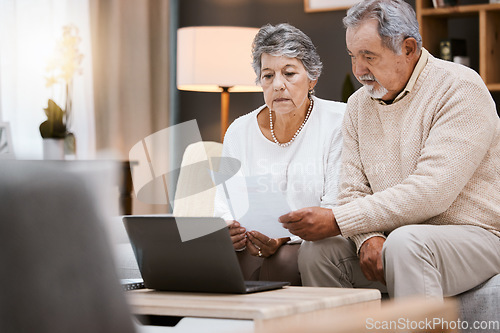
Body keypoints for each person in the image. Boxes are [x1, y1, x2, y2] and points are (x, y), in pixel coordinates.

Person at [279, 0, 500, 299]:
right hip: (399, 238)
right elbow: (352, 190)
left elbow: (432, 191)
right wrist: (367, 237)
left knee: (407, 243)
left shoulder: (459, 88)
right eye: (352, 56)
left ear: (408, 48)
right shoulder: (358, 105)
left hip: (477, 236)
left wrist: (337, 220)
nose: (359, 70)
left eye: (369, 56)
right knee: (319, 251)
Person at [213, 23, 345, 285]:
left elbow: (334, 206)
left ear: (312, 77)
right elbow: (222, 201)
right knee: (215, 258)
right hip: (251, 242)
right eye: (268, 75)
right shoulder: (239, 130)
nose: (278, 85)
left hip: (314, 242)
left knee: (280, 261)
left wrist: (282, 238)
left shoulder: (338, 122)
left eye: (289, 73)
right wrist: (230, 230)